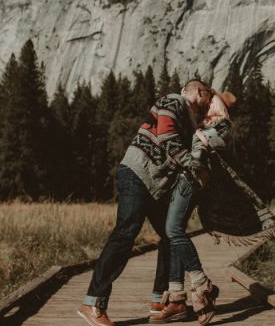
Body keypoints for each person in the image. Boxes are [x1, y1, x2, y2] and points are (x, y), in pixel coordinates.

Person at [77, 79, 213, 326]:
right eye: (207, 98)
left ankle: (163, 301)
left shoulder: (189, 120)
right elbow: (166, 135)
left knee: (171, 235)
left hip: (153, 185)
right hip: (138, 174)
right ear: (197, 92)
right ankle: (93, 302)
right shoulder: (174, 101)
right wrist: (193, 166)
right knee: (126, 232)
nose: (207, 105)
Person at [149, 91, 236, 325]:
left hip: (192, 177)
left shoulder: (221, 124)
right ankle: (177, 299)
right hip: (184, 178)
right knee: (174, 232)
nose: (199, 107)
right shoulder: (202, 121)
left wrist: (205, 104)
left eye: (207, 103)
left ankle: (201, 285)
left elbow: (206, 145)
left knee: (173, 230)